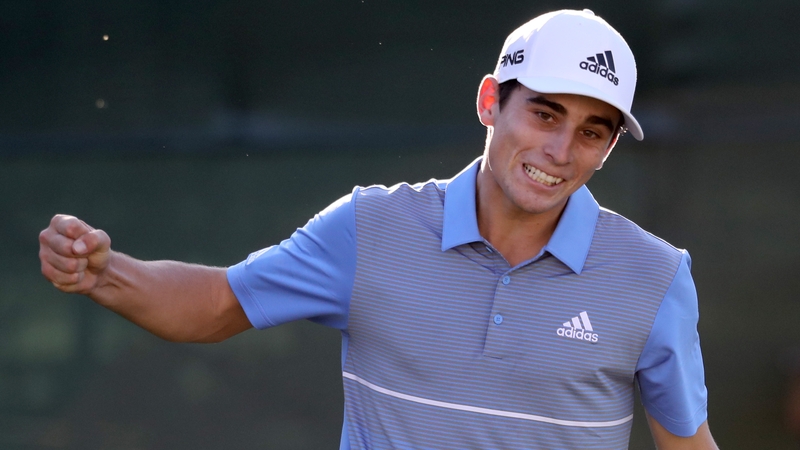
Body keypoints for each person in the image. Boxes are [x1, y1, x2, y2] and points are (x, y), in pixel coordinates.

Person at [39, 9, 718, 449]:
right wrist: (107, 273)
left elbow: (689, 445)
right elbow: (219, 303)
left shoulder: (656, 277)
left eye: (591, 132)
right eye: (544, 115)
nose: (561, 151)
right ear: (491, 102)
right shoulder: (370, 226)